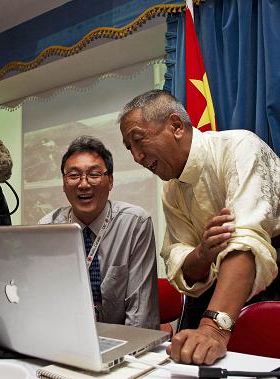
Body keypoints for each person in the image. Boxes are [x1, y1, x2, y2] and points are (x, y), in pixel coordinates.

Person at [118, 89, 279, 365]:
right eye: (129, 148)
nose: (136, 157)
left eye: (138, 140)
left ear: (176, 126)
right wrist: (203, 253)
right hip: (215, 291)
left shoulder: (239, 146)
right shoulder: (170, 189)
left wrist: (213, 329)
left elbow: (245, 240)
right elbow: (182, 261)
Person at [39, 136, 160, 329]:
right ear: (63, 184)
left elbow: (141, 316)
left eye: (94, 174)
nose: (84, 184)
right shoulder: (48, 228)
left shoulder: (135, 223)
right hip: (67, 338)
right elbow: (45, 300)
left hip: (122, 342)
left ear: (110, 181)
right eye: (73, 175)